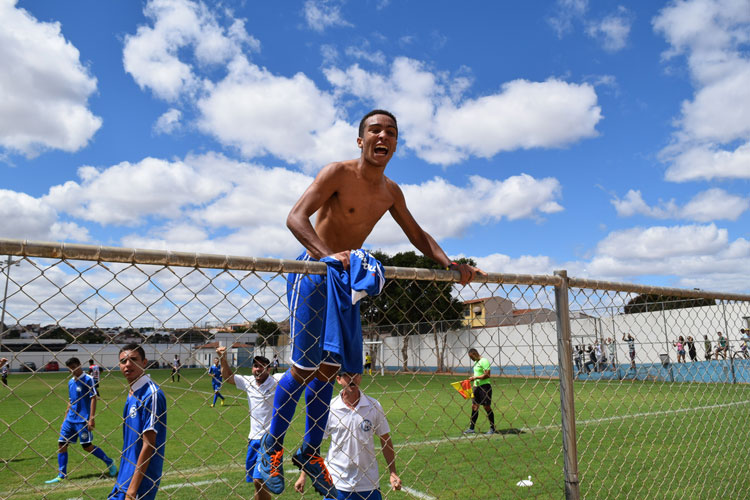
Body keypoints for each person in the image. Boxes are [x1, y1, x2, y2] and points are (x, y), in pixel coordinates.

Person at [255, 109, 484, 496]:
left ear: (395, 144)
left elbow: (416, 233)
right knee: (303, 369)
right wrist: (327, 254)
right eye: (375, 130)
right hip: (314, 271)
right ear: (360, 140)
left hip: (345, 281)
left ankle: (310, 451)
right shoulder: (336, 173)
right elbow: (296, 217)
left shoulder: (391, 192)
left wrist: (449, 263)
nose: (383, 136)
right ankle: (271, 449)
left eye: (391, 132)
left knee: (329, 372)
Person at [294, 371, 402, 499]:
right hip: (335, 482)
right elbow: (314, 443)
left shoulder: (374, 406)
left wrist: (393, 472)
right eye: (347, 375)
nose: (352, 378)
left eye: (356, 374)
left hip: (368, 483)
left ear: (360, 378)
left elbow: (385, 439)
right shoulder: (330, 408)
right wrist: (303, 475)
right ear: (338, 379)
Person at [216, 347, 278, 500]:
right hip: (253, 439)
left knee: (259, 479)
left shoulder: (276, 381)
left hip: (269, 440)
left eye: (261, 366)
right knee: (257, 484)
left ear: (268, 369)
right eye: (255, 366)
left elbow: (296, 375)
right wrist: (223, 358)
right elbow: (228, 377)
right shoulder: (248, 382)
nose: (257, 369)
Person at [108, 344, 167, 500]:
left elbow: (149, 444)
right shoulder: (132, 391)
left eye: (133, 359)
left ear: (144, 362)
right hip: (125, 476)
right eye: (123, 361)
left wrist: (132, 491)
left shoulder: (151, 394)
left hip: (141, 481)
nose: (127, 364)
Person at [45, 357, 117, 484]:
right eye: (70, 368)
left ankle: (109, 461)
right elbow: (70, 401)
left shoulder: (88, 379)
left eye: (74, 367)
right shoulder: (70, 382)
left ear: (79, 365)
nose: (72, 370)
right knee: (62, 444)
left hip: (82, 420)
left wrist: (91, 418)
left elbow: (94, 397)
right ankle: (62, 474)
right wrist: (64, 418)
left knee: (87, 446)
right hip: (70, 419)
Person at [463, 348, 495, 435]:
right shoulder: (475, 362)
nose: (471, 359)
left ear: (475, 354)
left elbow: (487, 375)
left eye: (471, 357)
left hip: (485, 387)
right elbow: (477, 374)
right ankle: (471, 428)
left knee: (486, 407)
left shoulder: (484, 361)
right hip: (476, 387)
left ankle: (492, 428)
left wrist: (475, 378)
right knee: (474, 406)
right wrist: (472, 379)